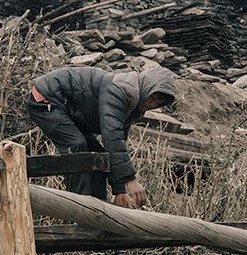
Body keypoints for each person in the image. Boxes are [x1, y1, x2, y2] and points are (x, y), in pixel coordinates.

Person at [25, 65, 177, 208]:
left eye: (158, 103)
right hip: (47, 97)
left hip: (70, 110)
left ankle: (98, 209)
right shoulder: (120, 90)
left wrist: (119, 190)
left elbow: (118, 143)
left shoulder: (134, 106)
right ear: (147, 87)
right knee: (77, 146)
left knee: (97, 156)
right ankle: (78, 207)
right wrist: (130, 180)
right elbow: (111, 137)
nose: (152, 104)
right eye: (153, 98)